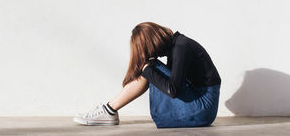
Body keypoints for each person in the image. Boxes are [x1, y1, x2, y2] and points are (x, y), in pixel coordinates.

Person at [73, 22, 221, 128]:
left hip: (203, 107)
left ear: (152, 44)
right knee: (150, 68)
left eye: (147, 51)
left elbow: (172, 90)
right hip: (201, 104)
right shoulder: (177, 46)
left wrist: (147, 69)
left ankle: (109, 111)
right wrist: (147, 69)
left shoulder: (181, 47)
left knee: (150, 68)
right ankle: (109, 110)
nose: (151, 55)